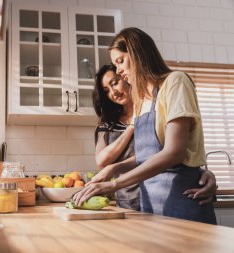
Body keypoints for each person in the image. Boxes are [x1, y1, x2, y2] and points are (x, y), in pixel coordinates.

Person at [75, 27, 217, 224]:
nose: (119, 70)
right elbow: (147, 155)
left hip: (183, 199)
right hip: (151, 206)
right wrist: (113, 169)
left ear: (136, 53)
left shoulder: (175, 82)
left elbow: (174, 153)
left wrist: (113, 184)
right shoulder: (141, 100)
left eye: (120, 61)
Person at [93, 64, 217, 211]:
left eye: (115, 83)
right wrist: (131, 128)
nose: (113, 92)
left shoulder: (156, 107)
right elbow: (102, 162)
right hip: (129, 201)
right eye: (106, 91)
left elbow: (173, 149)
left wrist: (200, 173)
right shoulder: (108, 124)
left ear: (126, 77)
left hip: (164, 195)